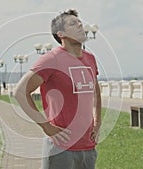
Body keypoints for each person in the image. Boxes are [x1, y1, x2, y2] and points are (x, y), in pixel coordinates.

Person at [14, 9, 101, 169]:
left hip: (88, 147)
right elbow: (20, 92)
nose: (80, 25)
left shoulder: (90, 59)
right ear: (60, 33)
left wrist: (98, 120)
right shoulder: (51, 59)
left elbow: (95, 91)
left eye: (80, 22)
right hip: (61, 148)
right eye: (73, 23)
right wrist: (46, 126)